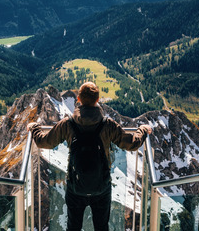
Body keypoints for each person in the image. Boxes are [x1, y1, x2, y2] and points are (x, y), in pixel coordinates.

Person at [28, 82, 153, 231]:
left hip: (75, 187)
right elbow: (131, 144)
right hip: (101, 188)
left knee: (73, 227)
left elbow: (44, 142)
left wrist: (34, 127)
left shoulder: (68, 124)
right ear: (98, 99)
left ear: (79, 99)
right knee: (101, 227)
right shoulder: (108, 125)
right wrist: (142, 130)